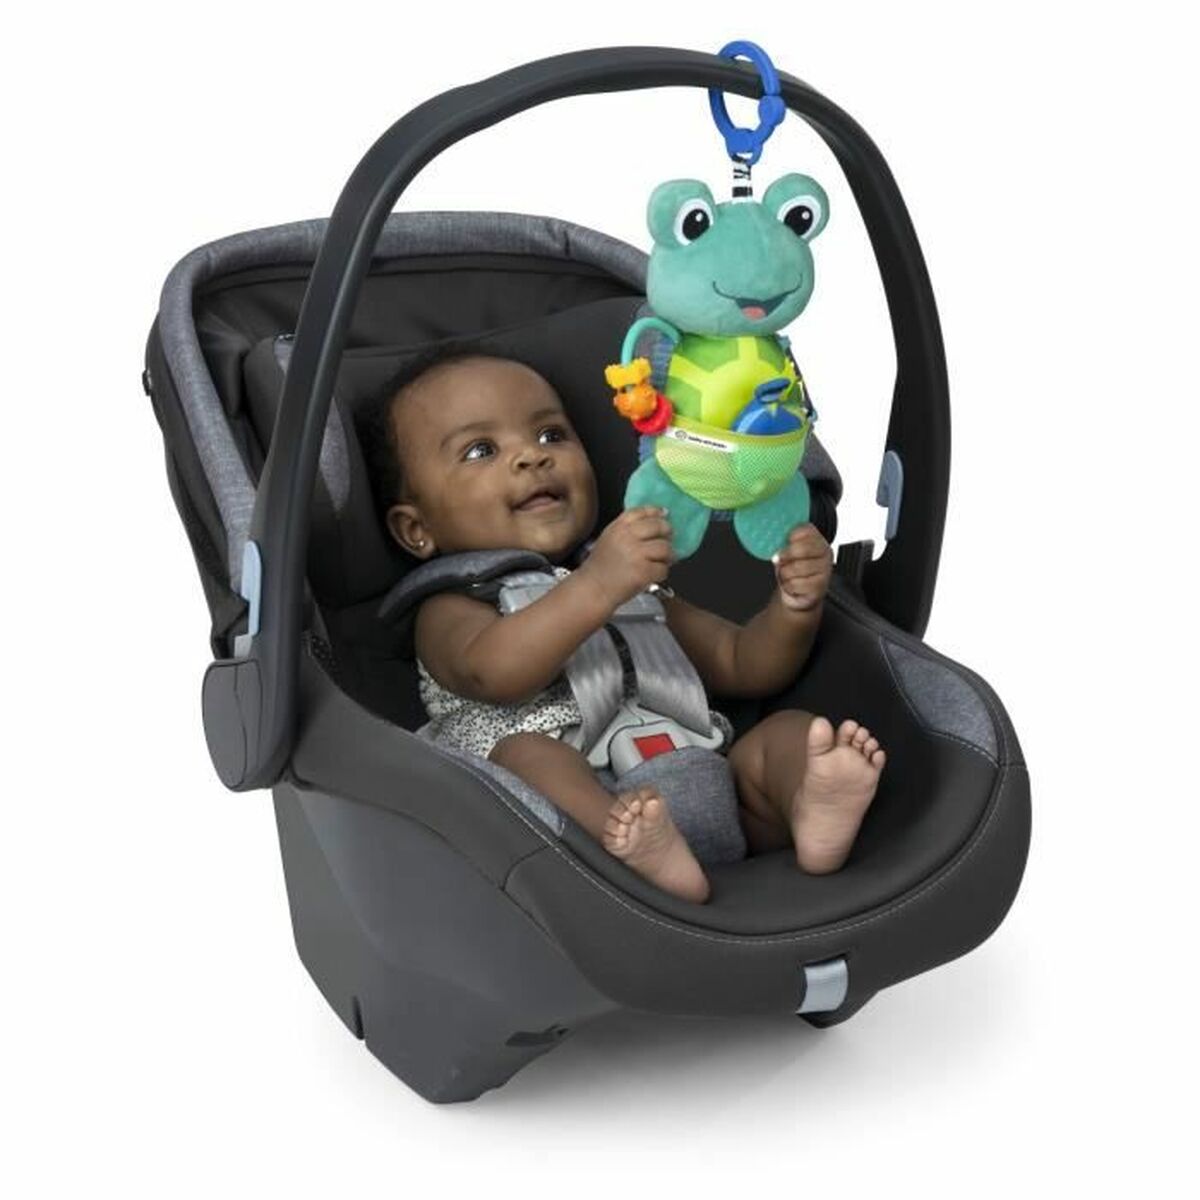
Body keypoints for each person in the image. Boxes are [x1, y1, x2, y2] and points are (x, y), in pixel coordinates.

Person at [363, 348, 885, 903]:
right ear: (416, 530)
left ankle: (811, 809)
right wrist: (598, 584)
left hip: (706, 777)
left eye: (550, 435)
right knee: (526, 758)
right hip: (578, 820)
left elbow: (742, 663)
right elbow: (492, 672)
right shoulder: (451, 606)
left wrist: (794, 606)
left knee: (791, 734)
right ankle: (633, 855)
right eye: (481, 450)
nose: (530, 457)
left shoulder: (632, 584)